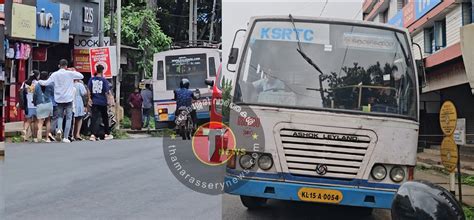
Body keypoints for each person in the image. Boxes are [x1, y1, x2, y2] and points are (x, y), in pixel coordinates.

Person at [38, 59, 84, 143]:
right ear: (66, 66)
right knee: (69, 118)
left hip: (59, 99)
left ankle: (59, 130)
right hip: (68, 98)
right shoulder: (70, 73)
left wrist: (38, 81)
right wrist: (73, 70)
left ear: (59, 65)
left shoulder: (55, 74)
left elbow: (46, 83)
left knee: (60, 116)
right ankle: (66, 137)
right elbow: (81, 76)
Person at [88, 64, 113, 141]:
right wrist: (109, 101)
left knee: (94, 118)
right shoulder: (104, 80)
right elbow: (106, 92)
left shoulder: (91, 79)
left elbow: (88, 90)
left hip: (95, 101)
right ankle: (106, 134)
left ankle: (93, 135)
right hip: (102, 102)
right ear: (102, 71)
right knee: (105, 118)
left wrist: (89, 99)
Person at [33, 71, 54, 143]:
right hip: (48, 104)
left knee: (39, 121)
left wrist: (34, 102)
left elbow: (34, 95)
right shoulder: (50, 84)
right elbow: (53, 93)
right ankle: (47, 138)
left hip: (40, 104)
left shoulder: (37, 85)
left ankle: (38, 136)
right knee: (48, 121)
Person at [21, 70, 40, 142]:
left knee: (28, 120)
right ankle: (35, 138)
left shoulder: (25, 83)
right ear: (37, 76)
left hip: (28, 104)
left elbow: (21, 92)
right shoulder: (38, 83)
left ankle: (25, 131)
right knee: (36, 121)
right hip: (36, 104)